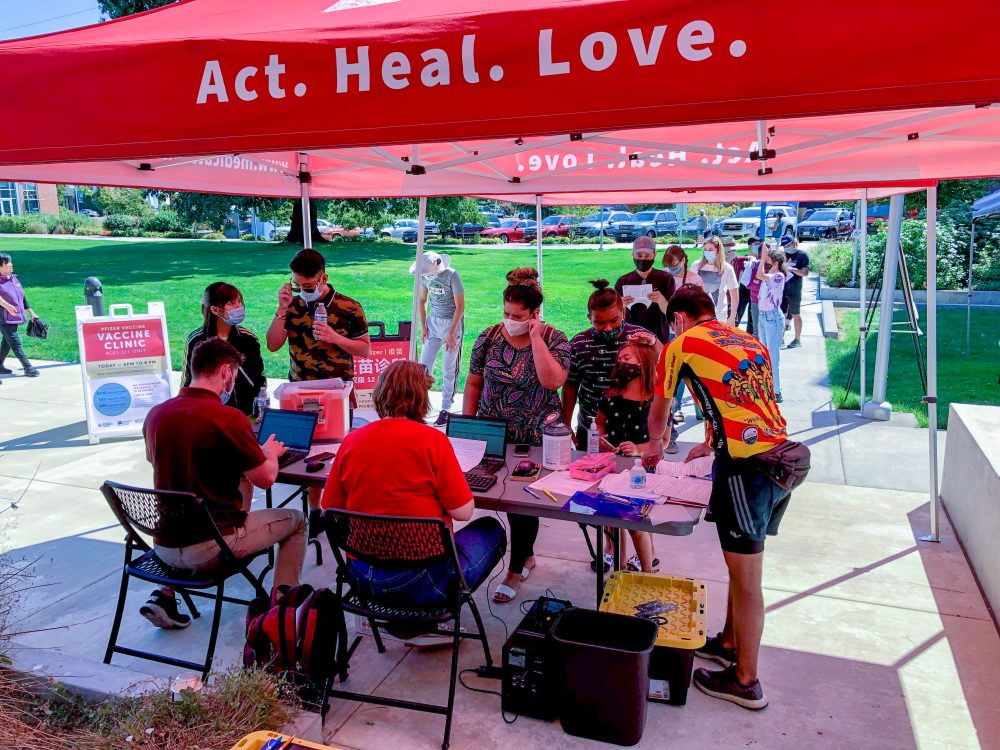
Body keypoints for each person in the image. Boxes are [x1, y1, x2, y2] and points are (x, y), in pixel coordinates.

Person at [643, 286, 791, 711]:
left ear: (680, 318)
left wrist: (655, 448)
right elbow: (739, 399)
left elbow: (660, 411)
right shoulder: (745, 338)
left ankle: (746, 681)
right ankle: (729, 643)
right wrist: (711, 441)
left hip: (748, 469)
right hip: (780, 455)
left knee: (747, 580)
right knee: (736, 563)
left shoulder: (680, 345)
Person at [322, 360, 505, 645]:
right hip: (425, 582)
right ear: (422, 399)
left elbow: (329, 508)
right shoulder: (433, 441)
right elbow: (464, 511)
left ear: (381, 393)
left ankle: (409, 623)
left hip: (363, 577)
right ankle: (426, 621)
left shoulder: (352, 441)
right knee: (492, 530)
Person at [141, 338, 306, 629]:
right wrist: (270, 453)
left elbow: (165, 463)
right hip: (211, 547)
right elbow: (266, 479)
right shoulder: (228, 418)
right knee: (298, 520)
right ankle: (281, 610)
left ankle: (167, 594)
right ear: (227, 372)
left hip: (164, 545)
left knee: (238, 486)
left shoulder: (157, 414)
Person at [463, 268, 569, 603]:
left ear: (535, 313)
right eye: (507, 313)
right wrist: (467, 428)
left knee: (524, 502)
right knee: (501, 496)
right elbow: (474, 383)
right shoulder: (489, 337)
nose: (511, 320)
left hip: (536, 434)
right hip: (494, 430)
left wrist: (535, 338)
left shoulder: (554, 338)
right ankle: (527, 556)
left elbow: (553, 382)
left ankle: (516, 567)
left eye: (519, 316)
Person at [266, 248, 371, 534]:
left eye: (309, 286)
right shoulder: (293, 306)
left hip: (337, 392)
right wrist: (282, 308)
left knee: (340, 453)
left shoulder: (349, 307)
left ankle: (340, 509)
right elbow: (273, 344)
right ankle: (314, 513)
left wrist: (335, 338)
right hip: (300, 392)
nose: (303, 290)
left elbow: (364, 349)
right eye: (298, 284)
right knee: (309, 456)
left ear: (323, 278)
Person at [563, 280, 662, 452]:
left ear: (623, 312)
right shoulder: (579, 344)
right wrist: (566, 424)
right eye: (600, 323)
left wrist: (653, 343)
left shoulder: (639, 337)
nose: (608, 328)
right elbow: (571, 385)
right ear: (589, 318)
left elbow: (666, 364)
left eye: (614, 320)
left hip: (637, 432)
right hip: (591, 429)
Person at [595, 340, 659, 573]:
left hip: (641, 473)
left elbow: (662, 441)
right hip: (611, 468)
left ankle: (648, 571)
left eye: (628, 358)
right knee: (612, 523)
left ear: (644, 363)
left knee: (635, 524)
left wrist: (637, 449)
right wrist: (602, 441)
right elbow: (600, 424)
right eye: (619, 359)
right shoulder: (610, 396)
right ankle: (619, 572)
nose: (621, 362)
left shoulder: (654, 400)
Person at [182, 282, 266, 417]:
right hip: (207, 414)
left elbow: (259, 378)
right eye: (232, 303)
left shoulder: (249, 339)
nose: (240, 307)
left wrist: (259, 410)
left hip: (245, 415)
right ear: (215, 310)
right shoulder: (196, 341)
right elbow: (188, 380)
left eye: (240, 302)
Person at [413, 251, 465, 426]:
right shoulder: (424, 275)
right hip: (433, 323)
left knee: (449, 368)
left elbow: (460, 307)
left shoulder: (452, 275)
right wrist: (423, 326)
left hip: (452, 323)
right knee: (423, 367)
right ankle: (419, 406)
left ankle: (446, 408)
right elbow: (421, 300)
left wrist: (451, 332)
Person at [615, 236, 676, 344]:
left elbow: (672, 314)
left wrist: (661, 300)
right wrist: (620, 306)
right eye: (639, 255)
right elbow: (615, 316)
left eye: (647, 255)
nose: (643, 259)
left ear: (655, 255)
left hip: (659, 336)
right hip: (631, 336)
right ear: (632, 255)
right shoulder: (623, 281)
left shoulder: (665, 278)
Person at [755, 244, 788, 403]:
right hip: (763, 316)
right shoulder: (770, 274)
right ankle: (767, 388)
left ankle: (776, 391)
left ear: (776, 262)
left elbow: (759, 275)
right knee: (764, 355)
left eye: (768, 259)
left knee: (773, 356)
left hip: (772, 318)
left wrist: (762, 258)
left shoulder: (778, 276)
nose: (765, 262)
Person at [0, 252, 40, 378]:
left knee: (7, 343)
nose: (11, 265)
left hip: (14, 317)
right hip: (4, 319)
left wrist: (31, 312)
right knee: (15, 343)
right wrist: (6, 305)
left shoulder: (13, 278)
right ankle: (28, 367)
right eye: (7, 263)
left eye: (10, 262)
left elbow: (22, 297)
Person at [690, 238, 739, 326]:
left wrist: (732, 317)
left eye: (711, 250)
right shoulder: (696, 266)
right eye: (705, 249)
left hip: (720, 317)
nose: (708, 252)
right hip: (698, 316)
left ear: (718, 250)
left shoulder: (727, 268)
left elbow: (734, 294)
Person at [780, 235, 810, 348]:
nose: (786, 247)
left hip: (795, 289)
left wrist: (791, 269)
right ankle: (781, 338)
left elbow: (805, 272)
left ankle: (797, 339)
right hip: (782, 289)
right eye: (784, 246)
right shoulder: (783, 255)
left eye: (788, 244)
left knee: (795, 313)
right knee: (782, 314)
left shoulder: (802, 255)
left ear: (794, 243)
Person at [732, 238, 758, 335]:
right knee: (738, 310)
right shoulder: (744, 259)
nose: (758, 246)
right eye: (756, 244)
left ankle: (750, 335)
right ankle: (732, 331)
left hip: (755, 290)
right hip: (744, 288)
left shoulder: (761, 259)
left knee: (752, 313)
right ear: (750, 245)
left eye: (759, 244)